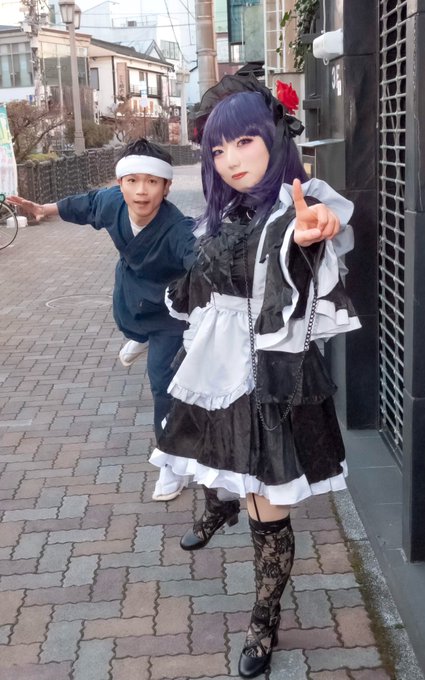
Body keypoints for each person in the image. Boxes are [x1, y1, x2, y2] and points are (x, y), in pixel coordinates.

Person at [149, 72, 361, 678]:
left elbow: (315, 229)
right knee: (209, 451)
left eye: (244, 141)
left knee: (268, 506)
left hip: (271, 376)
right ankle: (218, 504)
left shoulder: (296, 205)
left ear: (275, 138)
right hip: (215, 363)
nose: (230, 160)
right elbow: (201, 284)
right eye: (218, 149)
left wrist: (317, 229)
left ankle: (263, 620)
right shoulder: (225, 212)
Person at [9, 139, 195, 502]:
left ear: (167, 187)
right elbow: (84, 205)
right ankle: (139, 336)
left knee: (163, 384)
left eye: (152, 181)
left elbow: (200, 257)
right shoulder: (111, 202)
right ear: (120, 183)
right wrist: (43, 209)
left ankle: (172, 461)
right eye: (132, 180)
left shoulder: (178, 229)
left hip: (170, 312)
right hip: (131, 293)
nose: (141, 191)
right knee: (126, 322)